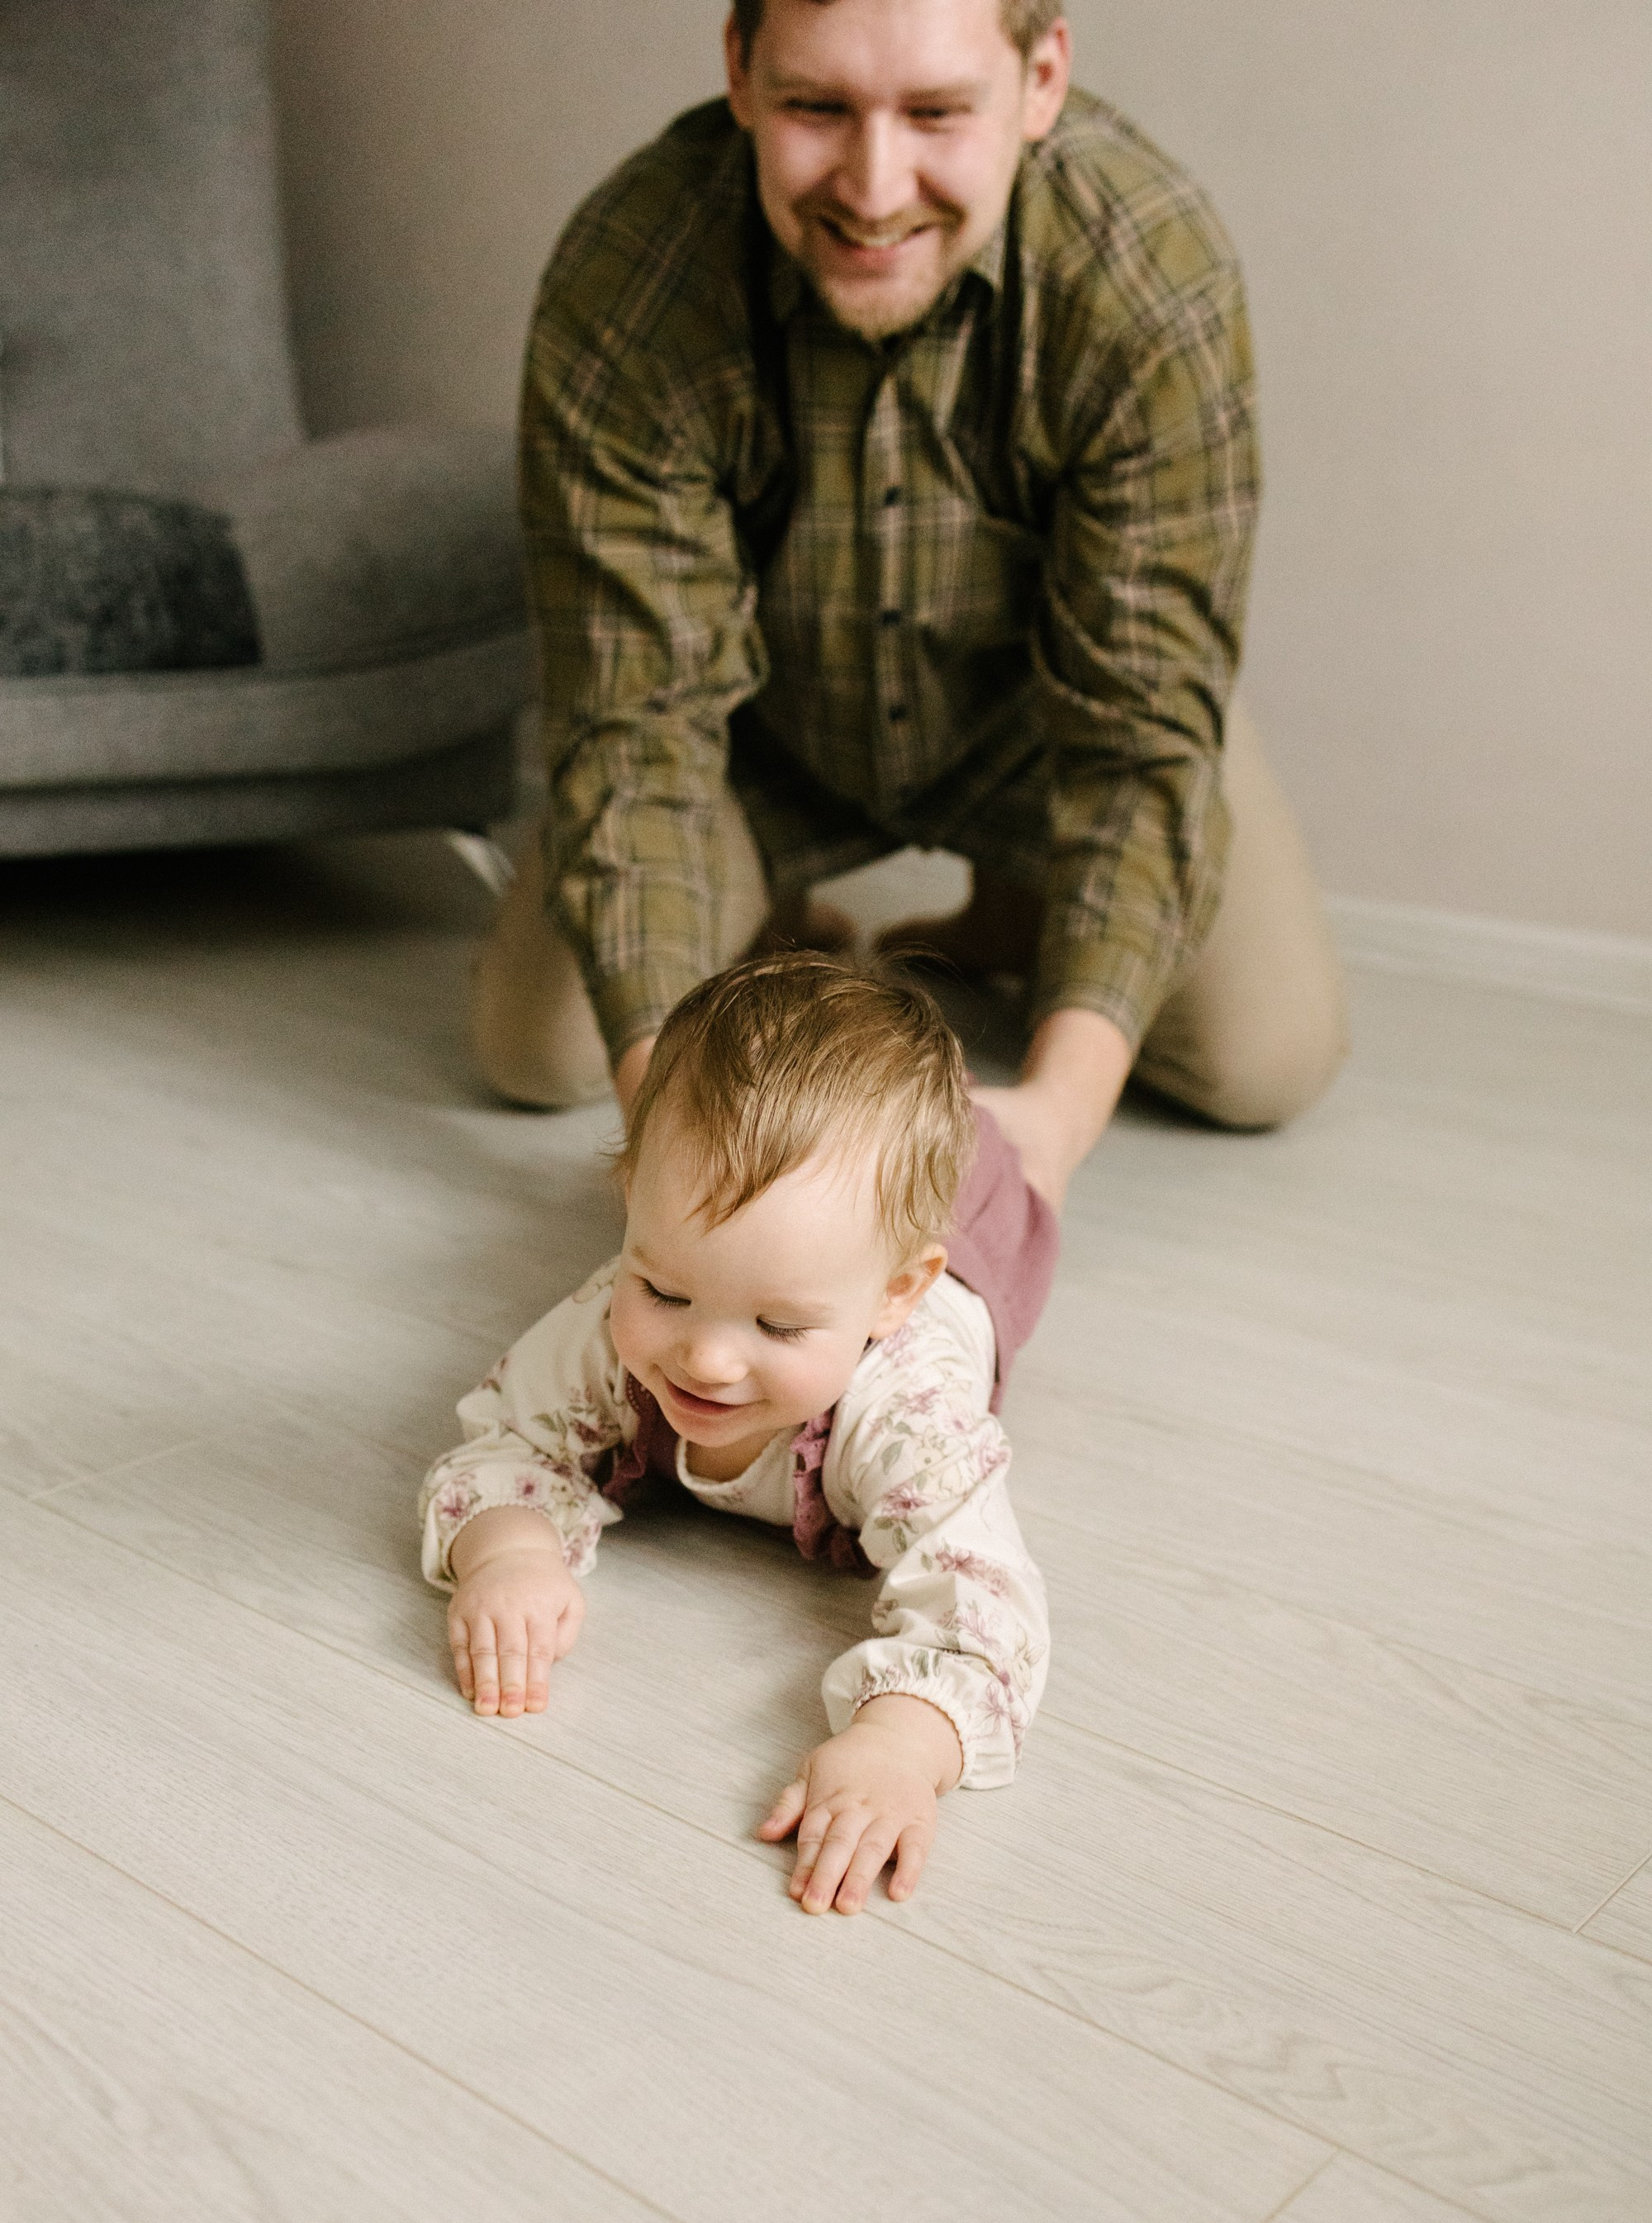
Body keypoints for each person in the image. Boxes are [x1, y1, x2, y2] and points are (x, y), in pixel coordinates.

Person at [472, 0, 1346, 1203]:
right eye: (815, 107)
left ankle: (1016, 911)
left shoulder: (1153, 268)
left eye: (937, 113)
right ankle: (770, 906)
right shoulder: (633, 272)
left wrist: (1050, 1122)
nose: (874, 189)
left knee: (1268, 1063)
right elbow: (634, 728)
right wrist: (684, 1162)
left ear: (1041, 79)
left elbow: (1144, 733)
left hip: (1046, 733)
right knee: (542, 1049)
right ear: (738, 70)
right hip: (751, 744)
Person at [420, 955, 1055, 1916]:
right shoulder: (605, 1326)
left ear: (893, 1295)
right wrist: (508, 1553)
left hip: (978, 1227)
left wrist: (900, 1742)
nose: (707, 1361)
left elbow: (983, 1603)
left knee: (1010, 1150)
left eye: (779, 1325)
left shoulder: (909, 1415)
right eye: (664, 1289)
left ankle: (1028, 1117)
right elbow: (508, 1440)